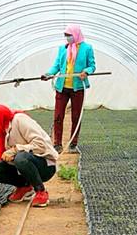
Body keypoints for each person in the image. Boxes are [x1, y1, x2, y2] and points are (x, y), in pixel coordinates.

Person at [41, 24, 96, 154]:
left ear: (76, 34)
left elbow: (92, 65)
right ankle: (57, 144)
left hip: (78, 88)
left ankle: (73, 144)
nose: (67, 38)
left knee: (76, 116)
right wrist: (48, 74)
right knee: (58, 116)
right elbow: (56, 66)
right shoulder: (63, 49)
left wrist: (86, 72)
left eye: (69, 35)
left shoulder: (87, 48)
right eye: (66, 36)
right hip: (62, 87)